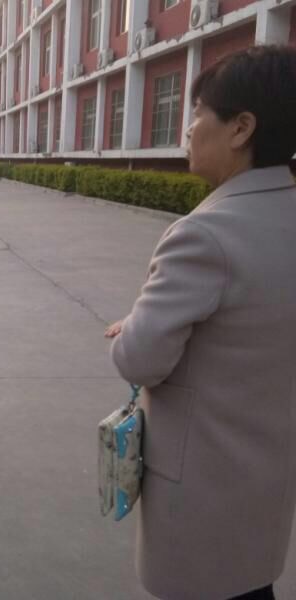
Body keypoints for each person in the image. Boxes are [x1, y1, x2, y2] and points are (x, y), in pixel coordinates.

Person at [105, 45, 296, 600]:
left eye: (198, 113)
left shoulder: (204, 234)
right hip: (270, 480)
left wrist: (134, 326)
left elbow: (139, 360)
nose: (188, 129)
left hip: (203, 492)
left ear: (241, 128)